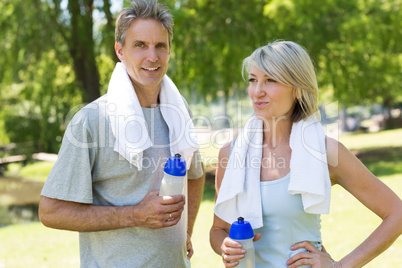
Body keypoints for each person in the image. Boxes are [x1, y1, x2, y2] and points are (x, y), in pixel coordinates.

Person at [38, 0, 205, 267]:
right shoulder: (91, 120)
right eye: (140, 45)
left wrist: (186, 231)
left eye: (160, 46)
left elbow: (195, 176)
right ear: (120, 51)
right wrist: (135, 215)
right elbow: (51, 211)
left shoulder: (177, 109)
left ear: (169, 50)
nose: (152, 56)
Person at [210, 41, 402, 267]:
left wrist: (340, 265)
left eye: (270, 80)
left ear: (298, 88)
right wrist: (224, 245)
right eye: (253, 80)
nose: (257, 91)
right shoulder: (231, 155)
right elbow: (218, 229)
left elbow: (396, 214)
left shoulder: (325, 152)